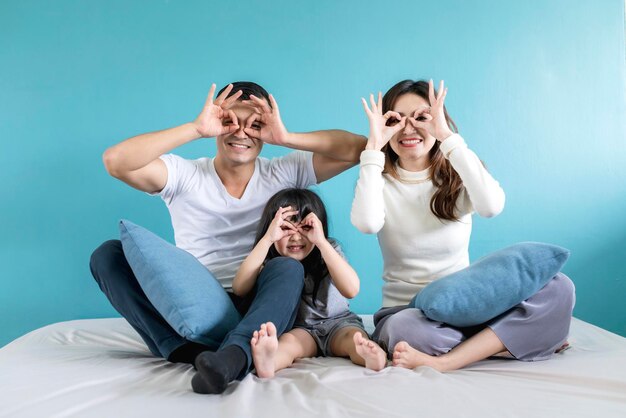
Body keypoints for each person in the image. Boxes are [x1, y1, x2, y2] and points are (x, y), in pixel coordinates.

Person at [89, 81, 366, 394]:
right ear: (216, 125)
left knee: (288, 267)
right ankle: (186, 352)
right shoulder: (185, 175)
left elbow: (359, 149)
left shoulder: (282, 172)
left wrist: (286, 137)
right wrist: (195, 128)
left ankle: (234, 357)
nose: (241, 133)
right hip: (197, 300)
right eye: (229, 122)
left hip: (259, 301)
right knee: (108, 255)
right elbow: (116, 161)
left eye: (255, 125)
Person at [351, 79, 575, 371]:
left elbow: (492, 206)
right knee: (403, 331)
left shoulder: (457, 170)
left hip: (467, 305)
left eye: (421, 117)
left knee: (559, 287)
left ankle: (448, 360)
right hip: (410, 312)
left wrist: (446, 136)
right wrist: (373, 149)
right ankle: (505, 343)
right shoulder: (376, 178)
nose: (408, 129)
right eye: (395, 120)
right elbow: (367, 223)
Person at [232, 188, 387, 377]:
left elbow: (352, 290)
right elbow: (239, 288)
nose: (296, 237)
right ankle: (268, 363)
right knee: (288, 344)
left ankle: (373, 357)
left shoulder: (329, 249)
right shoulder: (269, 261)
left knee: (355, 340)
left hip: (338, 322)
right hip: (301, 330)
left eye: (305, 228)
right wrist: (267, 239)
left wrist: (321, 243)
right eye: (286, 229)